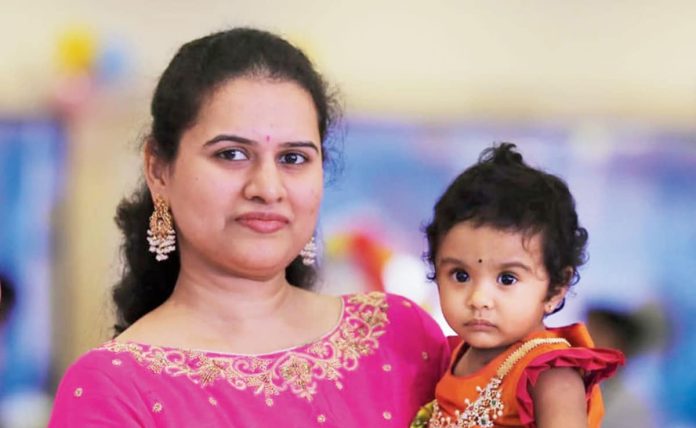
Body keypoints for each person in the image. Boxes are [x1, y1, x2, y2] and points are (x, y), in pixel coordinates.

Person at [49, 28, 449, 427]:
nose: (268, 189)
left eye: (293, 158)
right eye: (232, 154)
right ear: (158, 169)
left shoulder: (399, 338)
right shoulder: (113, 388)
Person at [411, 143, 625, 428]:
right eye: (460, 275)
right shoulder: (453, 356)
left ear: (556, 287)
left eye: (507, 279)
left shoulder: (550, 373)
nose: (479, 298)